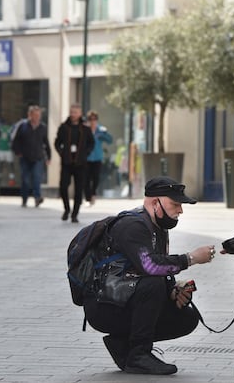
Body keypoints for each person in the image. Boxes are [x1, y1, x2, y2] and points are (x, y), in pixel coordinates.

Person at [84, 176, 215, 375]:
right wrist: (191, 258)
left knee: (186, 317)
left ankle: (122, 343)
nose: (180, 210)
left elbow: (143, 270)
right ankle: (139, 355)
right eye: (175, 204)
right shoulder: (132, 226)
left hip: (122, 298)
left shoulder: (156, 227)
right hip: (103, 305)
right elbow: (149, 266)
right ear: (155, 203)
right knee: (152, 283)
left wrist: (172, 290)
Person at [55, 104, 94, 222]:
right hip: (67, 162)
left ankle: (75, 214)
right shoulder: (63, 127)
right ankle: (66, 209)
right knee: (63, 186)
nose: (73, 114)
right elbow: (57, 142)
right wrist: (62, 152)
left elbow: (91, 143)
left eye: (76, 112)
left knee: (78, 189)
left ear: (80, 114)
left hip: (80, 163)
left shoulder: (85, 128)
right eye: (72, 112)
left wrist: (85, 153)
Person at [12, 105, 51, 207]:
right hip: (25, 157)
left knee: (37, 178)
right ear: (29, 115)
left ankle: (37, 198)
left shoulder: (43, 127)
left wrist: (49, 157)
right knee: (25, 179)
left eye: (39, 115)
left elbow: (46, 143)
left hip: (38, 157)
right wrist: (18, 152)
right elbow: (15, 141)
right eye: (35, 115)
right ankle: (24, 198)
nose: (37, 117)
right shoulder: (23, 126)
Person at [84, 110, 113, 206]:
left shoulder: (101, 130)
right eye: (90, 119)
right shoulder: (85, 129)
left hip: (97, 158)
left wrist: (105, 133)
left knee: (95, 178)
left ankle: (93, 194)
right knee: (86, 178)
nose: (92, 121)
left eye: (94, 119)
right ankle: (88, 197)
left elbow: (110, 141)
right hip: (86, 158)